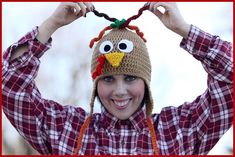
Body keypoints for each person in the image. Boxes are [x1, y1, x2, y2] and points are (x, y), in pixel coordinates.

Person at [2, 2, 233, 155]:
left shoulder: (183, 129)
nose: (120, 91)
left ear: (146, 81)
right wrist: (51, 24)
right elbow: (10, 87)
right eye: (108, 79)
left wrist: (184, 29)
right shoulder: (64, 129)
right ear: (96, 83)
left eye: (131, 78)